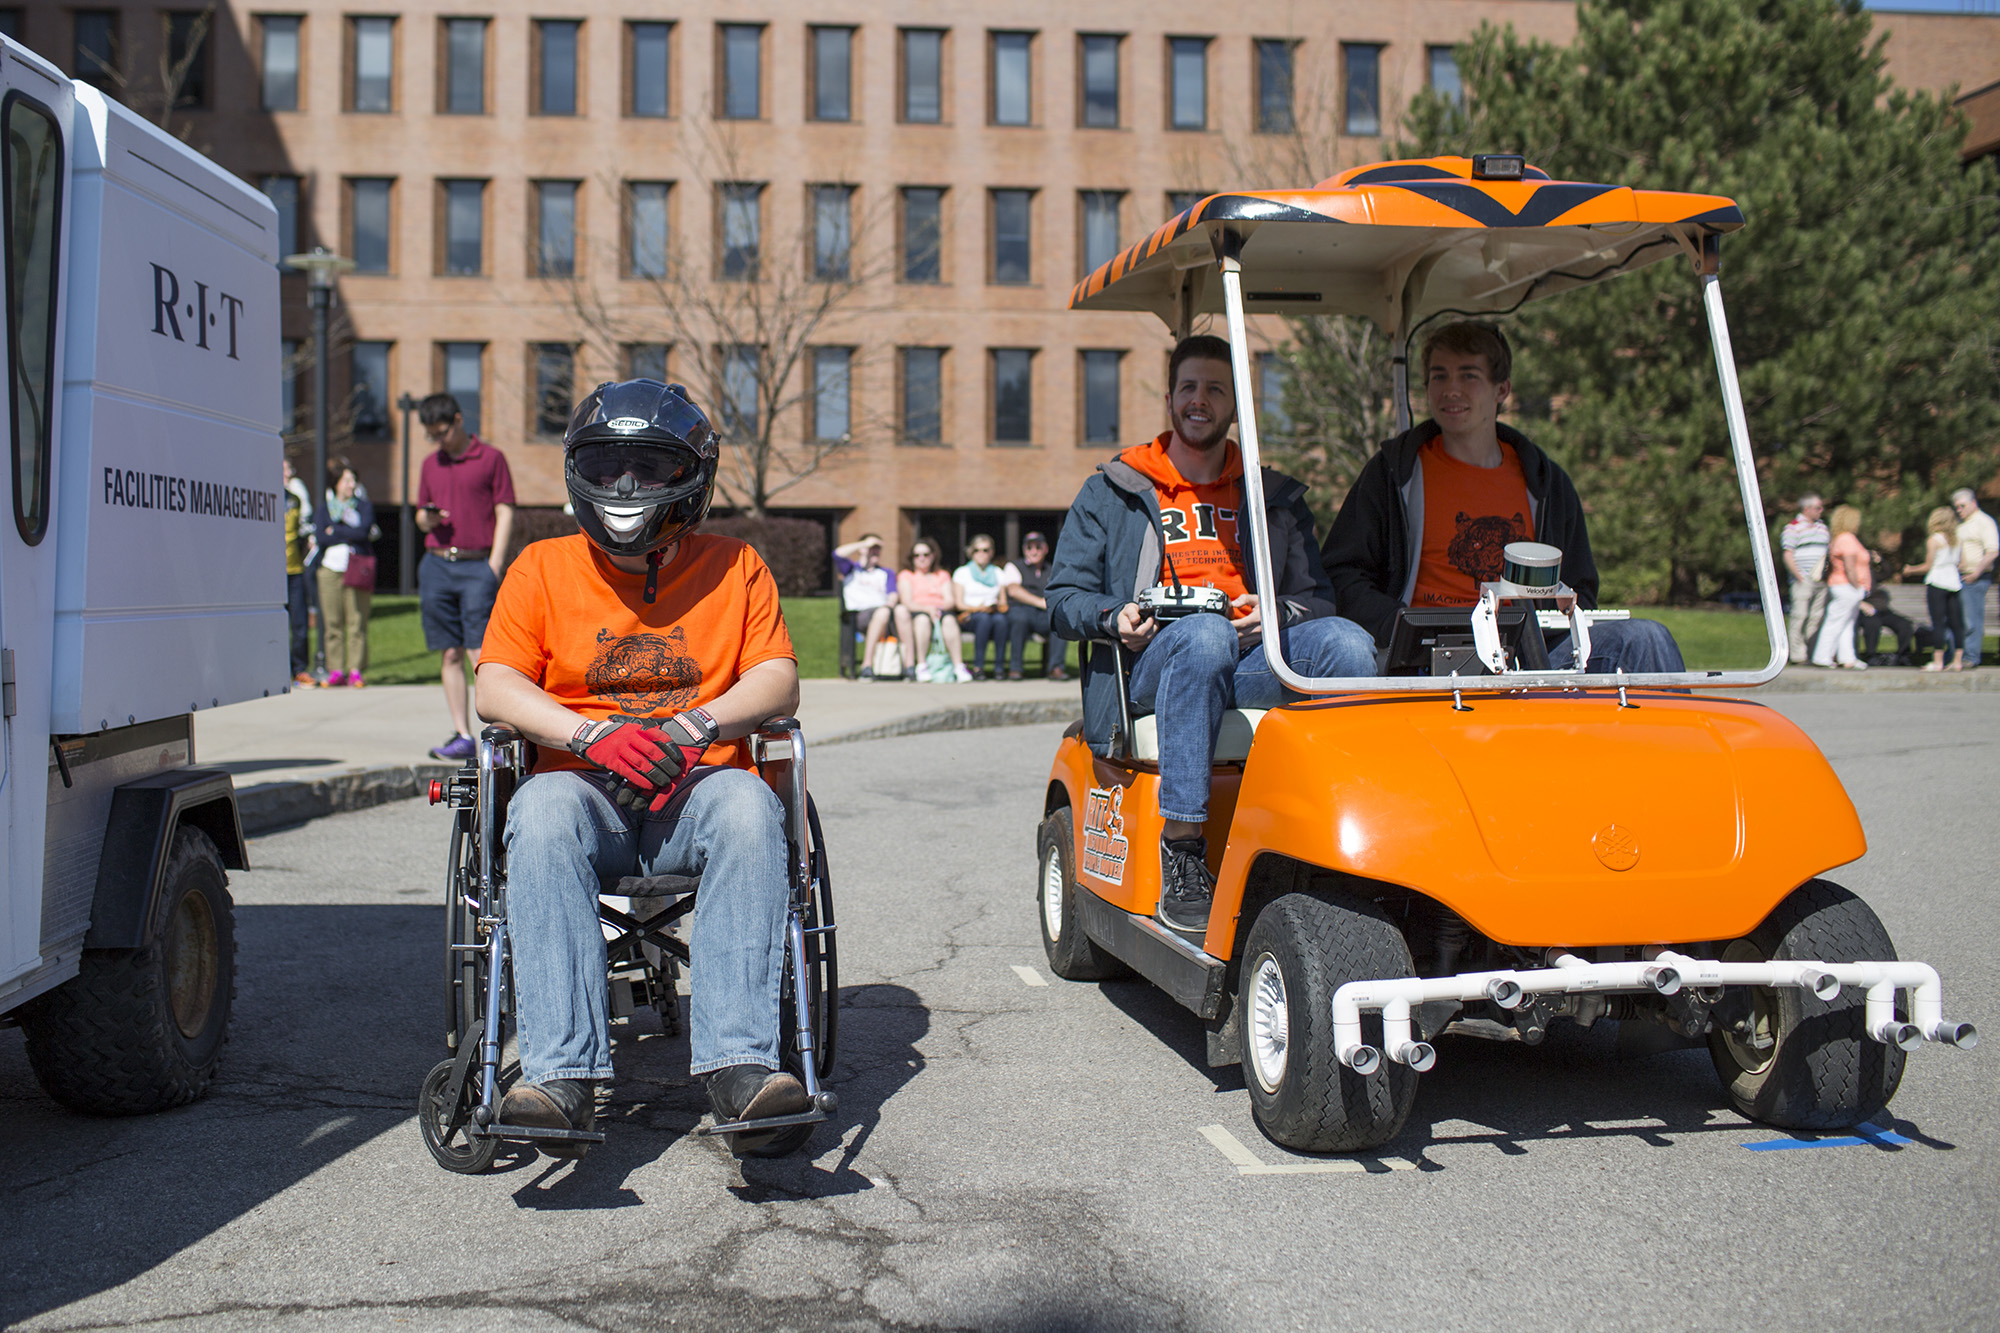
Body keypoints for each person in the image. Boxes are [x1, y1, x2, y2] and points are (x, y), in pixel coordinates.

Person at [474, 378, 812, 1157]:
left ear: (690, 475)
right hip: (583, 795)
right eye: (609, 466)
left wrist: (699, 723)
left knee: (749, 805)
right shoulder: (540, 568)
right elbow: (496, 683)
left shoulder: (737, 567)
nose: (626, 486)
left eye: (650, 469)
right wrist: (588, 735)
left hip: (695, 794)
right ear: (578, 470)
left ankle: (742, 1067)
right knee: (544, 807)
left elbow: (777, 677)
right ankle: (559, 1077)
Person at [1047, 334, 1375, 938]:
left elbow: (1317, 599)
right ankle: (1183, 849)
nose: (1201, 400)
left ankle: (1341, 836)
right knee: (1203, 636)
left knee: (1348, 643)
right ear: (1170, 398)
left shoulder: (1271, 496)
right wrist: (1114, 616)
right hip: (1152, 662)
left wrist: (1274, 614)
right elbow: (1063, 598)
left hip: (1252, 652)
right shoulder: (1114, 489)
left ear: (1235, 406)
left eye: (1216, 390)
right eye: (1190, 388)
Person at [1322, 321, 1684, 675]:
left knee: (1646, 638)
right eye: (1439, 376)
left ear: (1502, 389)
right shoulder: (1393, 473)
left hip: (1530, 654)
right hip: (1423, 658)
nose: (1451, 389)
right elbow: (1343, 572)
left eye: (1468, 376)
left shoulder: (1545, 482)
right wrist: (1396, 624)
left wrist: (1559, 616)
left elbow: (1580, 587)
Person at [416, 393, 516, 761]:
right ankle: (462, 735)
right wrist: (428, 519)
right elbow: (419, 517)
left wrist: (494, 564)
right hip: (437, 564)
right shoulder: (430, 464)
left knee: (481, 652)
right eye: (431, 435)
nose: (438, 440)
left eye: (441, 432)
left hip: (477, 566)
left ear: (458, 420)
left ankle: (498, 738)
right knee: (450, 653)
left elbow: (505, 510)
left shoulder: (491, 458)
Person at [314, 460, 376, 688]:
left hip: (356, 567)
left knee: (356, 620)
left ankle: (356, 670)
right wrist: (348, 532)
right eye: (347, 480)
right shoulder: (325, 508)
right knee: (333, 622)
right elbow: (321, 536)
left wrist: (337, 530)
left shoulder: (363, 507)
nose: (351, 484)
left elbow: (363, 532)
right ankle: (336, 670)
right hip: (330, 569)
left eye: (353, 480)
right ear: (337, 483)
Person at [894, 538, 969, 682]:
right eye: (917, 555)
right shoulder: (906, 575)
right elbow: (907, 601)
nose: (921, 558)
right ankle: (922, 665)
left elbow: (949, 600)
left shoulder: (942, 575)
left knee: (949, 620)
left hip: (940, 611)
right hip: (918, 611)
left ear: (933, 555)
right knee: (922, 621)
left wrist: (936, 609)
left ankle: (958, 666)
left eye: (925, 554)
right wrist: (927, 609)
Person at [1903, 505, 1965, 672]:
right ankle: (1958, 661)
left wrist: (1911, 569)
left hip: (1937, 582)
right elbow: (1962, 563)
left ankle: (1938, 661)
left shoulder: (1934, 540)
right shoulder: (1957, 540)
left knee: (1938, 623)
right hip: (1954, 582)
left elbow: (1928, 566)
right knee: (1956, 623)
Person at [1810, 505, 1871, 670]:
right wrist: (1857, 586)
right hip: (1847, 586)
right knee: (1835, 621)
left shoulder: (1840, 538)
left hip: (1842, 585)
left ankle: (1848, 657)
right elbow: (1850, 567)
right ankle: (1822, 657)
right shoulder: (1847, 539)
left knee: (1847, 623)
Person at [1002, 531, 1066, 681]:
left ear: (1045, 549)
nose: (1034, 551)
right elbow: (1014, 590)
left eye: (1038, 547)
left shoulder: (1052, 570)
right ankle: (1015, 668)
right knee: (1020, 619)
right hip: (1021, 609)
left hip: (1044, 614)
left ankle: (1055, 668)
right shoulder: (1014, 566)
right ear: (1024, 550)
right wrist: (1039, 602)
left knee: (1060, 620)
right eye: (1029, 547)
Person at [833, 534, 897, 678]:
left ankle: (912, 667)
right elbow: (837, 554)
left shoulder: (886, 573)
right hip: (860, 616)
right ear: (862, 549)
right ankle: (867, 665)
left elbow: (893, 594)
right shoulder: (850, 569)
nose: (874, 551)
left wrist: (890, 604)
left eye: (877, 548)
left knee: (898, 612)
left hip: (886, 614)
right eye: (871, 548)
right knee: (882, 613)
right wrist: (863, 544)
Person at [1780, 494, 1831, 665]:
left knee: (1816, 616)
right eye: (1817, 507)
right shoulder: (1793, 527)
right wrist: (1799, 576)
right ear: (1806, 509)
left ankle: (1812, 652)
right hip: (1803, 578)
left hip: (1821, 579)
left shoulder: (1823, 527)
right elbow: (1788, 554)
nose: (1821, 511)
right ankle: (1797, 655)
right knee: (1799, 616)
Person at [952, 534, 1011, 679]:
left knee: (1001, 621)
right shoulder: (962, 573)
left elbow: (1003, 602)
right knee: (983, 619)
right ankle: (979, 666)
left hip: (993, 613)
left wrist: (994, 607)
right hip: (970, 615)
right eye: (977, 550)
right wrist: (978, 608)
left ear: (991, 552)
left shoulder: (998, 572)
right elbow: (959, 604)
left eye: (986, 550)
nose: (981, 554)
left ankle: (999, 667)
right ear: (971, 552)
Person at [1951, 488, 1996, 668]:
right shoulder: (1962, 525)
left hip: (1975, 577)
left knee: (1971, 620)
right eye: (1957, 507)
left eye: (1962, 506)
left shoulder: (1984, 522)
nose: (1959, 510)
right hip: (1958, 578)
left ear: (1973, 503)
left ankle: (1970, 657)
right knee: (1957, 619)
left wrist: (1976, 572)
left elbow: (1992, 551)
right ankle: (1955, 656)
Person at [282, 456, 313, 686]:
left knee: (300, 623)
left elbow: (301, 532)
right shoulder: (264, 499)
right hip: (272, 573)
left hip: (294, 569)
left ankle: (300, 668)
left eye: (289, 470)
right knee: (277, 624)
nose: (288, 474)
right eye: (283, 470)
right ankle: (279, 669)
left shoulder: (295, 500)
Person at [1855, 587, 1915, 664]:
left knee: (1904, 625)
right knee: (1872, 623)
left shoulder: (1875, 581)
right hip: (1863, 611)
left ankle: (1903, 656)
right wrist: (1860, 603)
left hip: (1882, 610)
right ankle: (1871, 656)